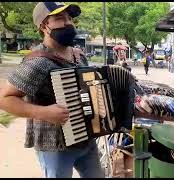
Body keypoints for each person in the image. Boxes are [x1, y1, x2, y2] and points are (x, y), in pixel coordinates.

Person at [0, 2, 104, 178]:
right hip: (54, 146)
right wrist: (44, 112)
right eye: (59, 18)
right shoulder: (37, 62)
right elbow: (5, 99)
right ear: (43, 26)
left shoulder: (79, 56)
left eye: (69, 18)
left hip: (86, 139)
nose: (68, 23)